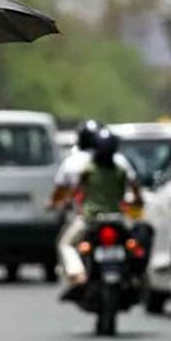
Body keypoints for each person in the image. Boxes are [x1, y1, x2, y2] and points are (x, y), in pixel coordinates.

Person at [49, 121, 137, 283]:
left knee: (65, 244)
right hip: (118, 217)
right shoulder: (121, 165)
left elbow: (69, 192)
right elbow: (134, 190)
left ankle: (77, 273)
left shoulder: (83, 168)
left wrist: (56, 203)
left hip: (90, 218)